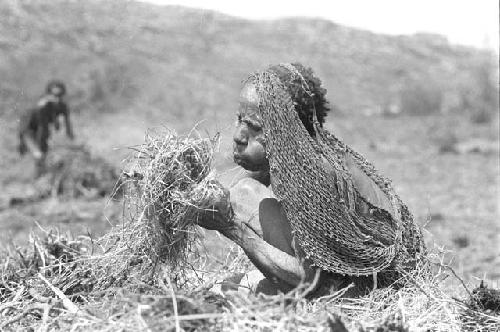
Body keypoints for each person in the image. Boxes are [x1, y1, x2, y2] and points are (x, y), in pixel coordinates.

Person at [199, 63, 425, 297]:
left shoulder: (313, 177)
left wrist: (232, 228)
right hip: (358, 282)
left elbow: (312, 280)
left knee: (242, 197)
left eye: (254, 126)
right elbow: (243, 184)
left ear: (284, 128)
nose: (238, 136)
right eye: (240, 120)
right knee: (243, 196)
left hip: (366, 293)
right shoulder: (298, 152)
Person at [18, 80, 74, 176]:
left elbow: (68, 127)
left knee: (45, 153)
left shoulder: (62, 106)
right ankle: (37, 177)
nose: (57, 99)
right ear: (48, 95)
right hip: (27, 131)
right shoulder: (43, 106)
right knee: (39, 154)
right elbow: (42, 129)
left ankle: (41, 174)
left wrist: (71, 142)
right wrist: (40, 149)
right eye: (54, 96)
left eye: (59, 96)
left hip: (39, 130)